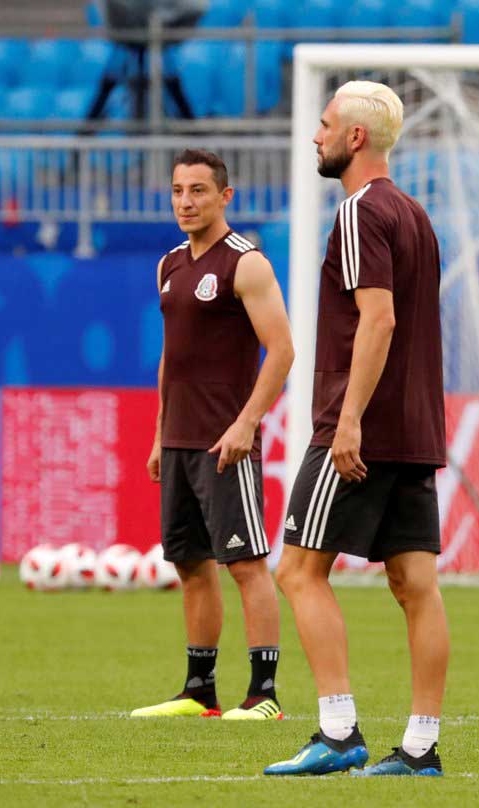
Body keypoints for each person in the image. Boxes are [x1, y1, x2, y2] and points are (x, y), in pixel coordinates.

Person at [263, 81, 449, 778]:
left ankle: (339, 733)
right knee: (416, 585)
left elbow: (380, 319)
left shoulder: (360, 214)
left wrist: (346, 421)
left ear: (356, 137)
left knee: (298, 569)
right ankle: (422, 747)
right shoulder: (415, 214)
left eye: (325, 124)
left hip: (361, 426)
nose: (316, 135)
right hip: (416, 425)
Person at [132, 148, 293, 721]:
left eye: (198, 190)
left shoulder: (246, 264)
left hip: (226, 443)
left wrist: (248, 422)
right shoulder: (169, 265)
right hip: (178, 440)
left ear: (225, 196)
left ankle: (264, 694)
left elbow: (283, 350)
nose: (185, 201)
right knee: (190, 565)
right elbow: (169, 361)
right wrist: (158, 435)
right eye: (178, 190)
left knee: (245, 563)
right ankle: (200, 690)